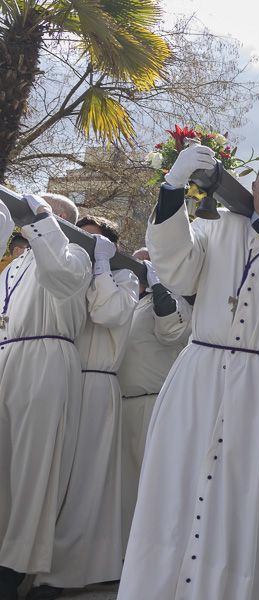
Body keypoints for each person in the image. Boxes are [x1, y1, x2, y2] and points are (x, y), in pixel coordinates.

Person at [118, 147, 259, 599]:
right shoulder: (214, 226)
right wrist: (173, 189)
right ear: (253, 185)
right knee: (175, 486)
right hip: (198, 377)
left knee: (241, 498)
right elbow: (175, 267)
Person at [30, 216, 139, 598]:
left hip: (97, 381)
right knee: (53, 477)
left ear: (108, 246)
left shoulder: (125, 279)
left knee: (85, 482)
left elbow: (108, 313)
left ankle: (60, 573)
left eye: (94, 243)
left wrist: (104, 265)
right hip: (63, 375)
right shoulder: (75, 272)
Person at [0, 194, 92, 600]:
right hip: (7, 357)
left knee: (32, 468)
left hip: (46, 356)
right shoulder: (15, 263)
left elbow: (64, 277)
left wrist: (43, 219)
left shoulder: (74, 254)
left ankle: (14, 566)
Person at [118, 248, 193, 545]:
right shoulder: (137, 302)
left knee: (151, 487)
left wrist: (160, 284)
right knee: (125, 489)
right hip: (124, 404)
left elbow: (171, 330)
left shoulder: (175, 302)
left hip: (153, 403)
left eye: (148, 262)